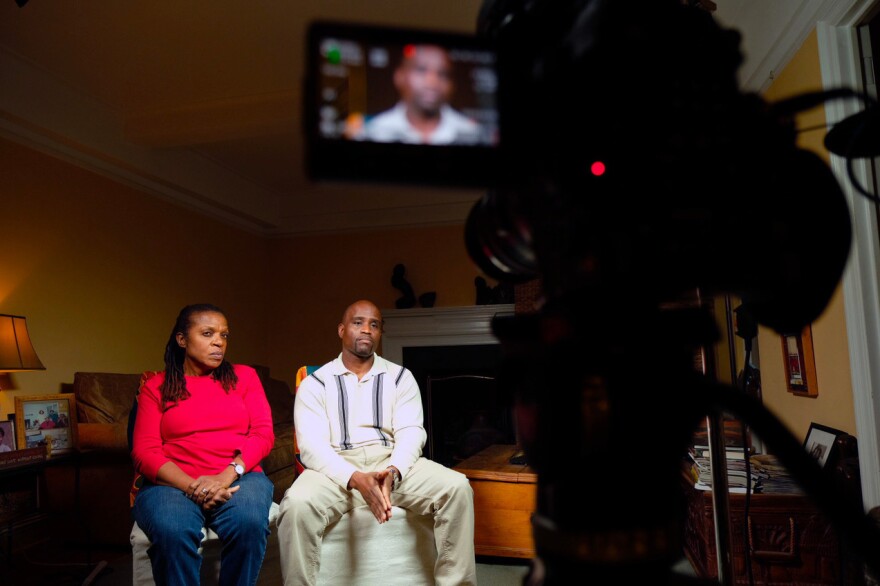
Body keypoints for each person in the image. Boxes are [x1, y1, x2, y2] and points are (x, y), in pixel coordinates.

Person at [277, 299, 477, 586]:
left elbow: (412, 431)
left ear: (380, 333)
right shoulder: (316, 383)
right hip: (336, 468)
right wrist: (355, 477)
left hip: (390, 460)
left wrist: (394, 471)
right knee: (296, 504)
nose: (366, 330)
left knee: (457, 488)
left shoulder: (400, 377)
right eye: (358, 322)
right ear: (342, 330)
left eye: (374, 324)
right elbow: (312, 447)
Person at [131, 303, 275, 585]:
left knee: (248, 523)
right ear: (182, 339)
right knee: (173, 531)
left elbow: (262, 434)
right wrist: (194, 487)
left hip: (240, 477)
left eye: (224, 335)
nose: (219, 342)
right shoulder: (156, 387)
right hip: (172, 483)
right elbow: (144, 452)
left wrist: (226, 476)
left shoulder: (245, 377)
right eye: (208, 333)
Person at [353, 44, 485, 145]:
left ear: (452, 84)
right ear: (399, 77)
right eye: (421, 70)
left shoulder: (472, 133)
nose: (432, 83)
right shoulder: (372, 132)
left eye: (442, 74)